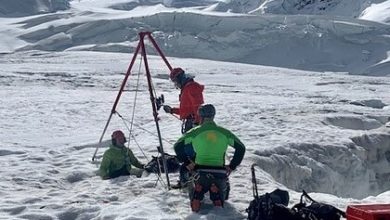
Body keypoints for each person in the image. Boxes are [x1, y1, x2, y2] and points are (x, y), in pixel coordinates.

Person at [173, 104, 246, 212]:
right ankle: (216, 194)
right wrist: (232, 166)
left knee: (192, 180)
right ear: (213, 116)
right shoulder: (224, 132)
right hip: (219, 172)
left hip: (199, 172)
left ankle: (197, 193)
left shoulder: (195, 131)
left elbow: (177, 146)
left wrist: (187, 162)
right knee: (224, 196)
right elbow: (241, 148)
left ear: (200, 117)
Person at [163, 67, 204, 134]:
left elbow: (198, 107)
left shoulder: (192, 87)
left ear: (179, 78)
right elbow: (186, 110)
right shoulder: (186, 88)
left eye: (175, 81)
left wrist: (196, 124)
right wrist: (172, 110)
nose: (175, 84)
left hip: (193, 123)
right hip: (190, 122)